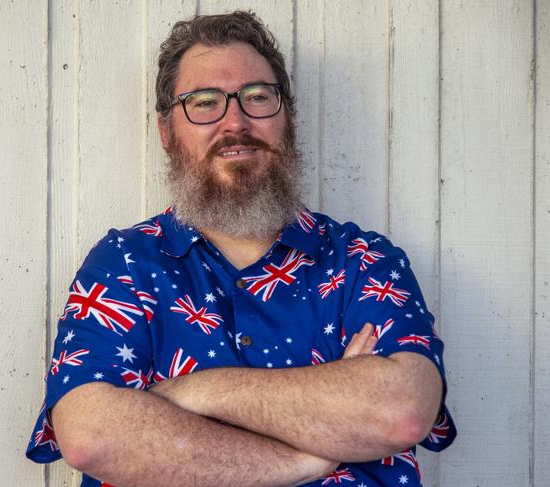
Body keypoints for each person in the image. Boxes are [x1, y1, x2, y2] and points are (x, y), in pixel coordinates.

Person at [26, 11, 456, 487]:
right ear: (166, 132)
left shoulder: (364, 261)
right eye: (204, 102)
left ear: (286, 118)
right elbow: (91, 435)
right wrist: (308, 457)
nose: (236, 121)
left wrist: (194, 392)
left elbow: (402, 413)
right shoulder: (125, 264)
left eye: (257, 97)